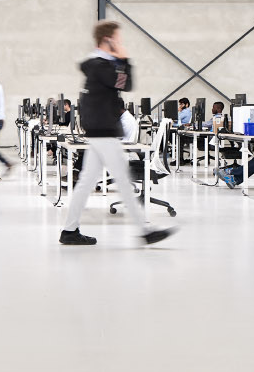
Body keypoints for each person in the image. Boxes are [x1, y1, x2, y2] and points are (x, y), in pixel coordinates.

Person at [59, 20, 174, 247]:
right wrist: (125, 60)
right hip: (103, 131)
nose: (121, 44)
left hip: (100, 131)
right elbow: (127, 83)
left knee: (86, 183)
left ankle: (69, 230)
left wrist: (120, 61)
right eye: (118, 40)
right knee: (122, 179)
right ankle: (145, 231)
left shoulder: (97, 65)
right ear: (108, 40)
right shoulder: (100, 66)